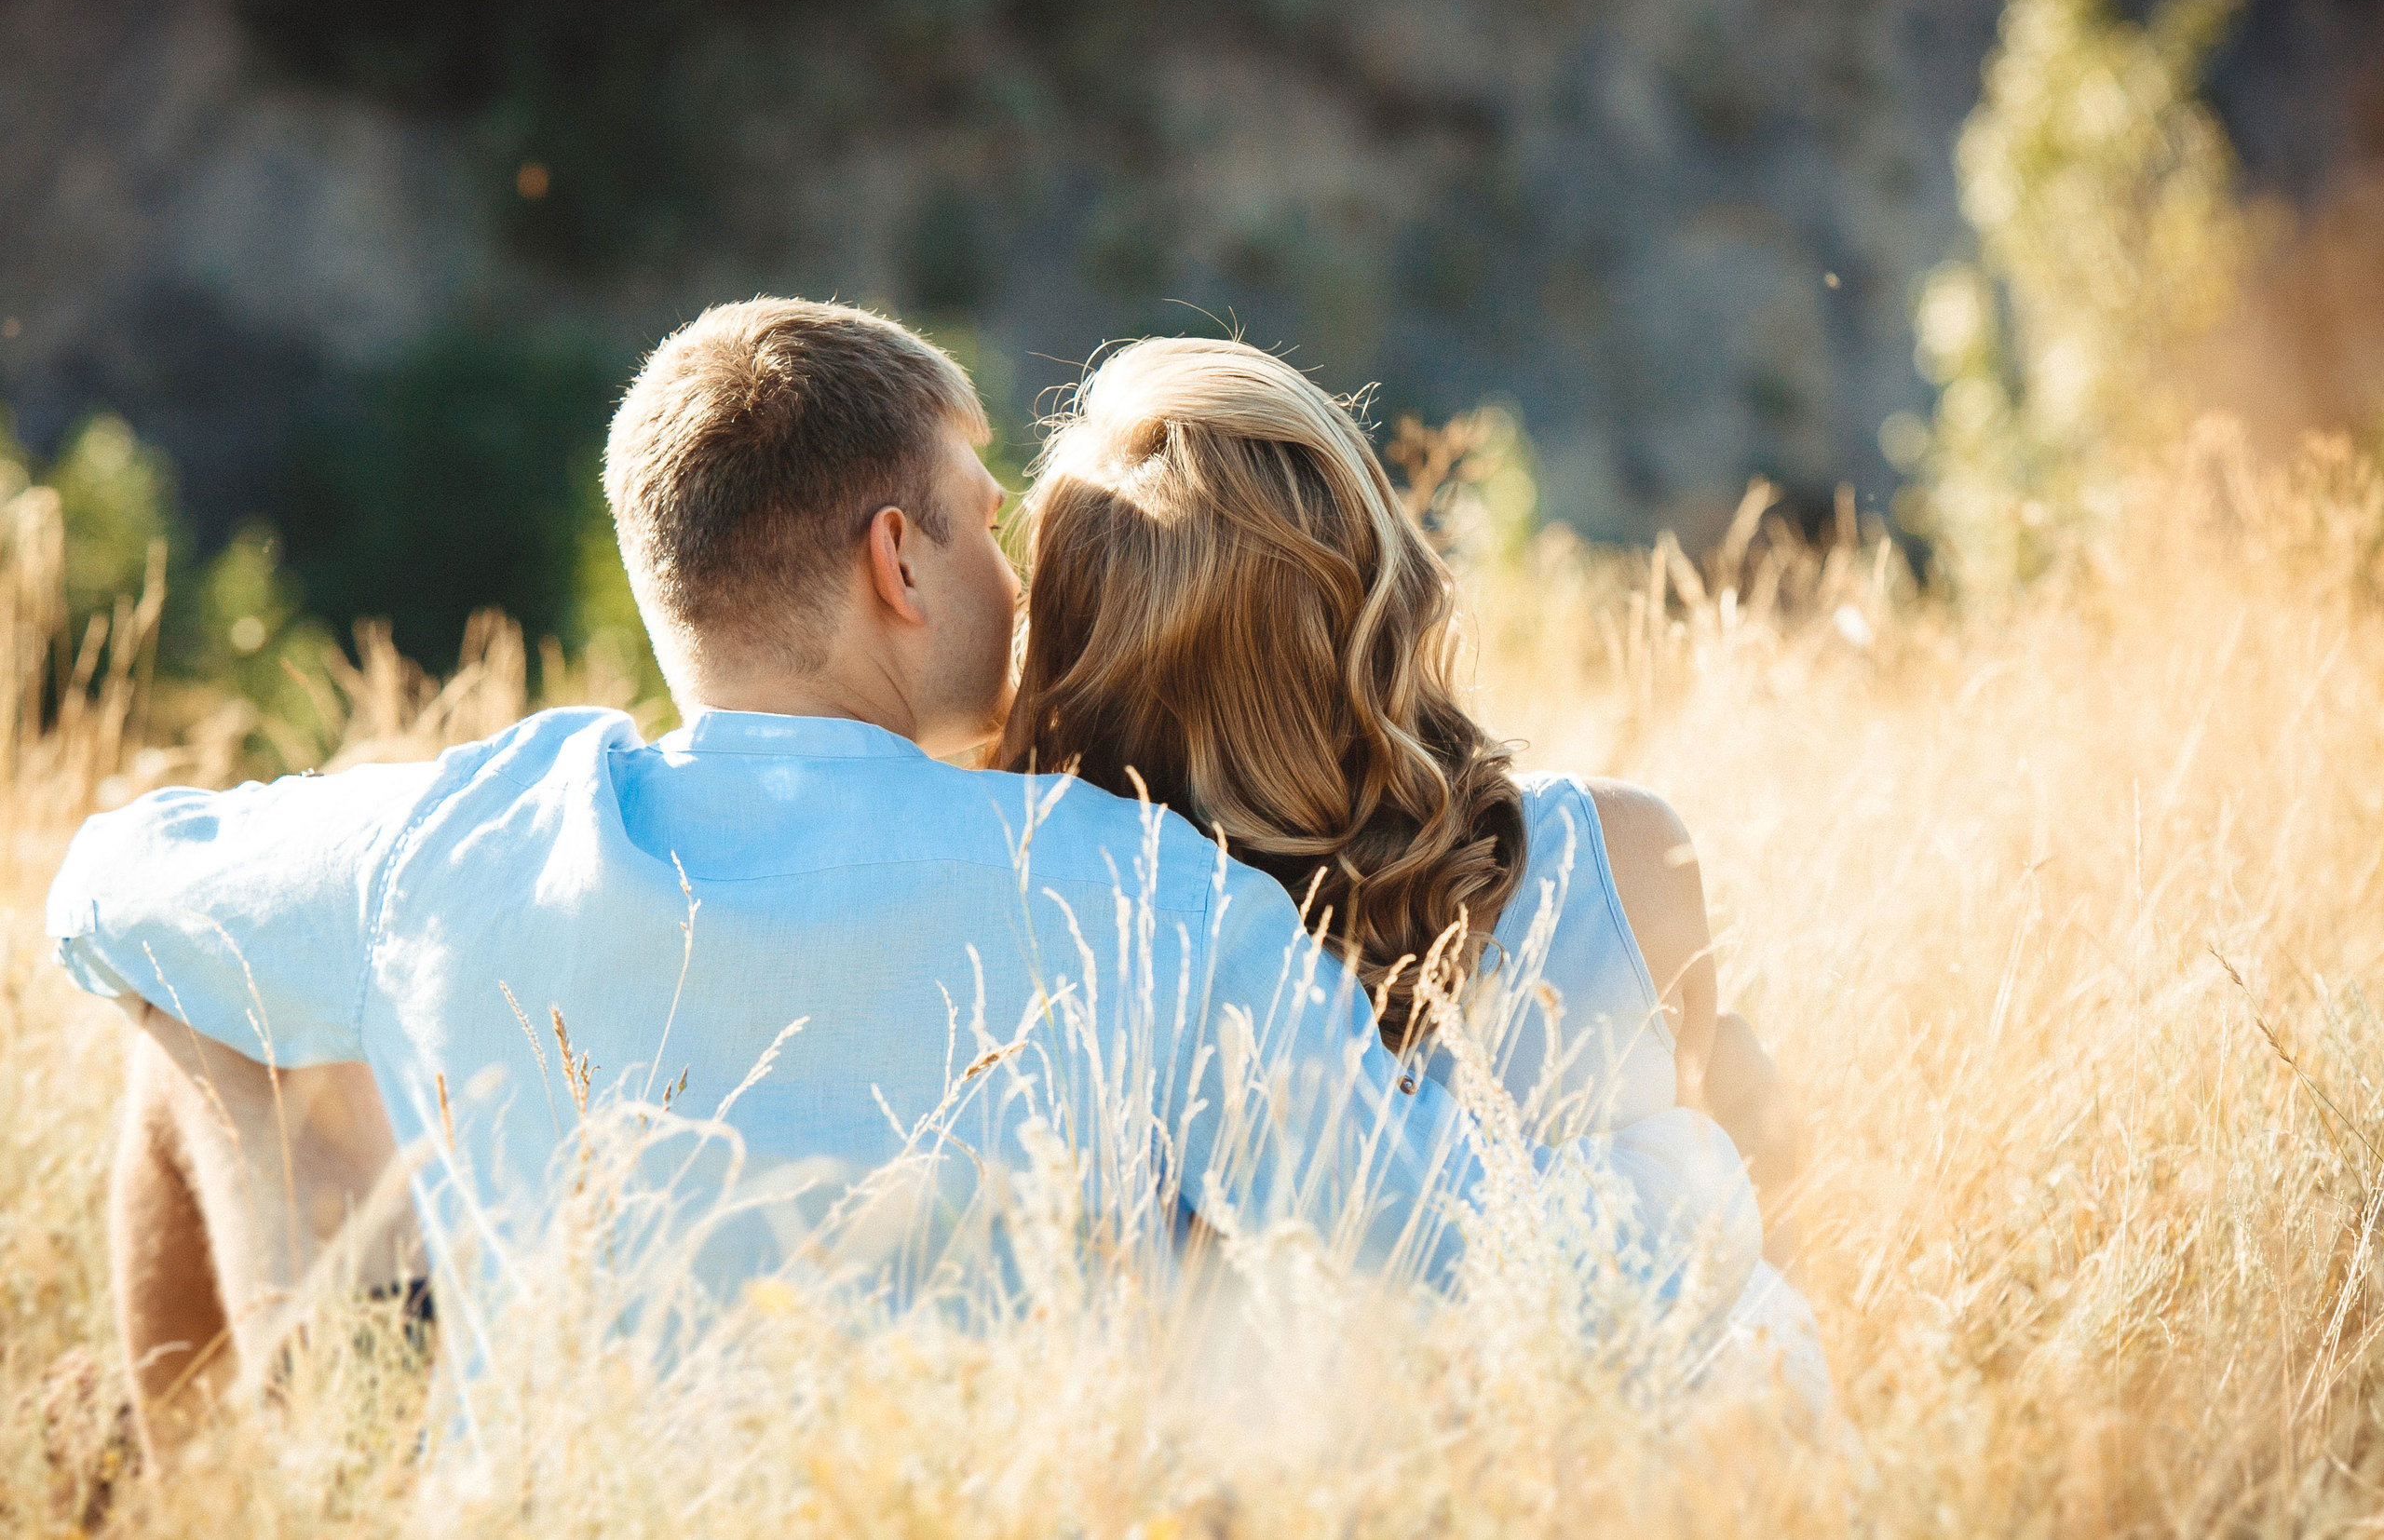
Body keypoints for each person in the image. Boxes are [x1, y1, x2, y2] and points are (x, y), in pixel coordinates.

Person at [55, 300, 1770, 1457]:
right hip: (958, 1475)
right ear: (898, 558)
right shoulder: (1144, 900)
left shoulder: (479, 828)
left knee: (202, 1025)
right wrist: (1688, 1157)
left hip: (571, 1480)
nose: (1022, 584)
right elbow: (1492, 1270)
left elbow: (104, 893)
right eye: (986, 518)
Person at [996, 335, 1824, 1398]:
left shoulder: (1076, 952)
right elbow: (1749, 1234)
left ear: (1081, 657)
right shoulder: (1625, 857)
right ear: (1380, 580)